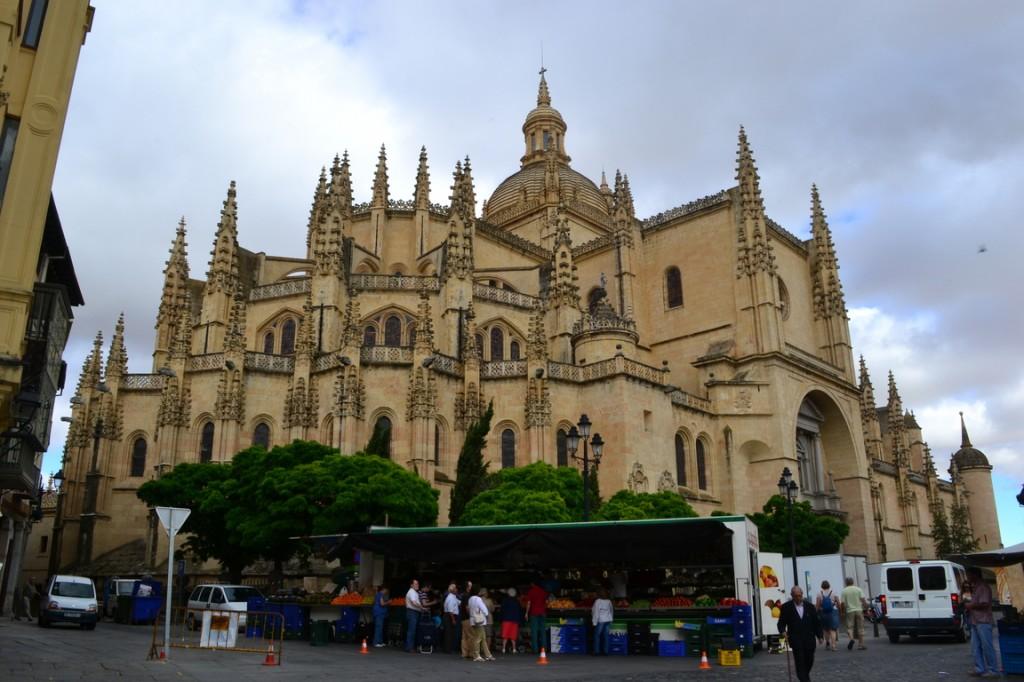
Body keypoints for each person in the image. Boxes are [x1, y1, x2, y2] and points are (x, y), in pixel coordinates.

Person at [777, 585, 823, 682]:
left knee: (809, 661)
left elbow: (816, 623)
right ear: (792, 596)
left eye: (799, 595)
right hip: (796, 640)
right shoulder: (786, 607)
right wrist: (783, 631)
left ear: (802, 595)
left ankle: (804, 676)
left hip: (809, 639)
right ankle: (804, 679)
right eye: (796, 596)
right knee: (800, 662)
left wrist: (820, 636)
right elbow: (781, 623)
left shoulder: (810, 606)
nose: (798, 598)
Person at [964, 567, 998, 677]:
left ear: (975, 575)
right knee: (975, 646)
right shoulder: (975, 587)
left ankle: (993, 670)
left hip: (983, 621)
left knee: (987, 646)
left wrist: (970, 605)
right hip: (975, 620)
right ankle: (979, 668)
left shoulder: (983, 587)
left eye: (968, 575)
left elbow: (984, 604)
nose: (967, 577)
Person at [839, 576, 869, 651]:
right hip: (859, 610)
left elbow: (842, 603)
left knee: (850, 627)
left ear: (846, 583)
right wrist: (866, 608)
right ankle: (860, 645)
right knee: (860, 627)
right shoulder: (858, 589)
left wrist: (842, 612)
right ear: (853, 582)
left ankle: (851, 639)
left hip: (849, 611)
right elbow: (863, 600)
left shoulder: (844, 591)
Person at [467, 587, 495, 661]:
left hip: (473, 620)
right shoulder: (478, 599)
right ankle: (476, 655)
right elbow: (484, 609)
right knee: (479, 638)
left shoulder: (470, 599)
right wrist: (486, 614)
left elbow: (469, 609)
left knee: (483, 638)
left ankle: (488, 655)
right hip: (479, 621)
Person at [526, 579, 549, 653]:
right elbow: (547, 602)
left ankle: (535, 649)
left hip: (534, 613)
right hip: (542, 613)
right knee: (543, 631)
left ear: (533, 584)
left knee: (534, 631)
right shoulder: (543, 591)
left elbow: (529, 603)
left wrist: (526, 613)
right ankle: (544, 649)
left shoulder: (531, 591)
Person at [815, 580, 839, 651]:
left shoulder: (819, 593)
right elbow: (838, 602)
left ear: (822, 586)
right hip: (833, 612)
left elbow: (817, 605)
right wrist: (840, 610)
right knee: (833, 629)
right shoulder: (834, 592)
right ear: (829, 585)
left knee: (825, 629)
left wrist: (816, 612)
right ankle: (834, 646)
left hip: (823, 612)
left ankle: (827, 643)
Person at [499, 587, 523, 654]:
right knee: (513, 635)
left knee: (505, 635)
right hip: (514, 621)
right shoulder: (517, 602)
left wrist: (500, 619)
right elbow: (519, 612)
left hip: (506, 620)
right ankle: (514, 649)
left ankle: (503, 648)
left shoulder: (505, 601)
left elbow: (502, 611)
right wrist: (520, 621)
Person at [404, 579, 425, 652]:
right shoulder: (412, 592)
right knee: (411, 630)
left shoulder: (414, 592)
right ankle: (409, 647)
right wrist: (421, 607)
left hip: (414, 612)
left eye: (418, 584)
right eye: (415, 584)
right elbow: (413, 602)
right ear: (411, 585)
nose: (417, 585)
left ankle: (411, 646)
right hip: (412, 612)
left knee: (412, 630)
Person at [592, 589, 614, 655]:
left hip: (601, 620)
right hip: (608, 620)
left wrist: (594, 622)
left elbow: (596, 612)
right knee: (606, 636)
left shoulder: (598, 601)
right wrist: (611, 619)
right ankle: (606, 651)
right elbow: (611, 610)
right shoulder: (608, 601)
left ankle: (596, 651)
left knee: (597, 636)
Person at [443, 583, 461, 654]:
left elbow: (459, 603)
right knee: (449, 633)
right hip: (450, 616)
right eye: (455, 588)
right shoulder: (450, 598)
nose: (457, 590)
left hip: (451, 616)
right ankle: (448, 649)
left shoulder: (454, 597)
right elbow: (450, 610)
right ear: (452, 590)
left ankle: (449, 648)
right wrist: (453, 619)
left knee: (450, 633)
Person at [459, 580, 474, 658]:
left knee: (464, 637)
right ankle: (471, 653)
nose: (471, 587)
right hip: (467, 618)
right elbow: (467, 607)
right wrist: (471, 615)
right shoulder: (467, 595)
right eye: (470, 586)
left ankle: (464, 653)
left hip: (463, 618)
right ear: (467, 587)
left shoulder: (462, 595)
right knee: (471, 636)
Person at [481, 587, 496, 651]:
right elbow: (493, 609)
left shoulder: (478, 600)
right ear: (485, 594)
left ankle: (481, 649)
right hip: (488, 620)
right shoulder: (489, 601)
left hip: (481, 619)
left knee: (481, 636)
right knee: (488, 635)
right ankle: (487, 649)